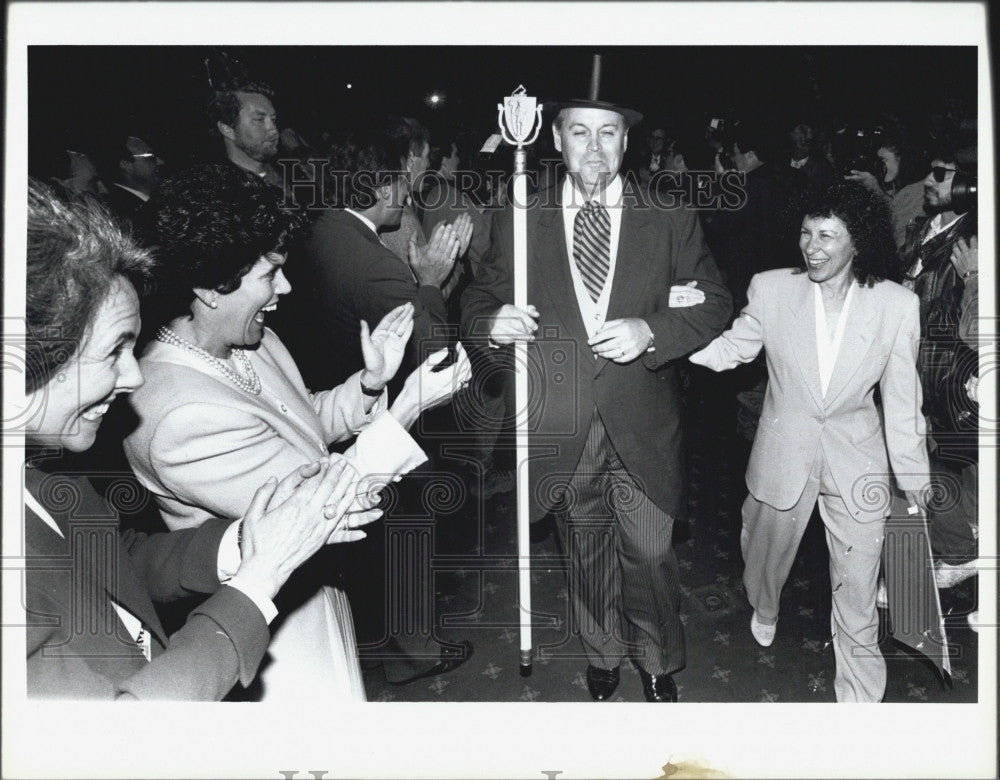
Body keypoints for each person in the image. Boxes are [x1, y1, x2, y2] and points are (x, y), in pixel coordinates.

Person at [122, 163, 471, 701]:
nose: (285, 287)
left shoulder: (248, 339)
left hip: (317, 582)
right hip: (268, 626)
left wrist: (372, 382)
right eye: (269, 274)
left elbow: (306, 422)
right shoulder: (177, 417)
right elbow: (316, 504)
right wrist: (406, 408)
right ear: (211, 287)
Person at [22, 179, 369, 700]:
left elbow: (120, 559)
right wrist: (257, 579)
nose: (133, 378)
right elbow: (119, 739)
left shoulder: (39, 478)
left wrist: (237, 547)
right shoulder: (178, 411)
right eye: (112, 351)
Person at [462, 96, 732, 702]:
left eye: (607, 133)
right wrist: (491, 322)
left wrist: (651, 331)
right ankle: (603, 650)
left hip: (643, 419)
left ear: (625, 143)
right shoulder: (520, 214)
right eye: (579, 132)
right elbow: (478, 298)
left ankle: (657, 658)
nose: (593, 147)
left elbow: (715, 299)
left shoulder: (666, 213)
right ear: (556, 141)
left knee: (651, 552)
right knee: (584, 550)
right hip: (561, 419)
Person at [690, 181, 930, 703]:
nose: (811, 246)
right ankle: (767, 603)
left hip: (857, 460)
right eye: (805, 232)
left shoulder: (895, 305)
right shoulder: (773, 288)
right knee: (762, 558)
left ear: (857, 242)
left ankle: (860, 701)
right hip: (784, 451)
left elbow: (902, 399)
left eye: (827, 235)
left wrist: (913, 478)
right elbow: (734, 347)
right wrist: (666, 336)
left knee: (860, 589)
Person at [899, 142, 979, 589]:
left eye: (942, 174)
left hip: (943, 375)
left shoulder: (974, 240)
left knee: (936, 464)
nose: (929, 181)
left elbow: (971, 328)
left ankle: (953, 558)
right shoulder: (921, 227)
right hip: (908, 362)